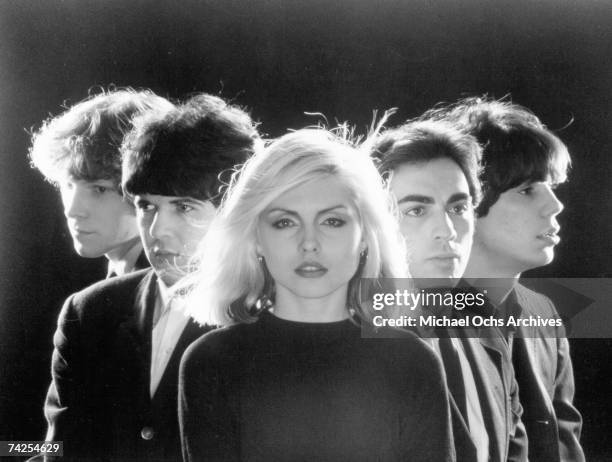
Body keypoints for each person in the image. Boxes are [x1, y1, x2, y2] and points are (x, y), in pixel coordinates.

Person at [178, 128, 454, 462]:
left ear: (365, 237)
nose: (309, 242)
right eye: (284, 223)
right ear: (256, 239)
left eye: (333, 221)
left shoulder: (412, 360)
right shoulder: (211, 361)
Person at [41, 93, 260, 461]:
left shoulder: (266, 310)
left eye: (184, 207)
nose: (158, 231)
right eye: (146, 206)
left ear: (233, 213)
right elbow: (58, 450)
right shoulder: (87, 310)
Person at [372, 119, 527, 462]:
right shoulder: (352, 340)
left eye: (458, 208)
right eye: (415, 210)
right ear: (374, 223)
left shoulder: (487, 330)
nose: (447, 231)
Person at [449, 97, 584, 462]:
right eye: (527, 190)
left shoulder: (545, 315)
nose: (555, 205)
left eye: (551, 186)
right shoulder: (421, 317)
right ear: (467, 206)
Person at [29, 89, 173, 277]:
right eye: (68, 185)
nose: (72, 211)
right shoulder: (119, 281)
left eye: (99, 189)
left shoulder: (164, 291)